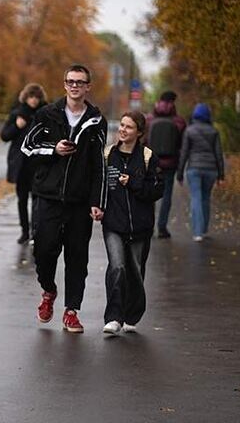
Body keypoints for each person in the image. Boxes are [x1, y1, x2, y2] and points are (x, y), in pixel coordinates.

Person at [21, 64, 107, 333]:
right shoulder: (48, 114)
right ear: (64, 84)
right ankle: (48, 290)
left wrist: (98, 201)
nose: (75, 86)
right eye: (71, 81)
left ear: (87, 87)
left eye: (80, 82)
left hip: (79, 201)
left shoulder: (96, 121)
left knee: (77, 257)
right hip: (48, 196)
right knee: (43, 251)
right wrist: (53, 150)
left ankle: (72, 310)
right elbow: (27, 147)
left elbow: (99, 166)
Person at [101, 111, 164, 335]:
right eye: (122, 125)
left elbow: (157, 190)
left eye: (128, 127)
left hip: (141, 226)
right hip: (113, 224)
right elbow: (97, 185)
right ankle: (114, 317)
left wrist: (134, 183)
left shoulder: (148, 157)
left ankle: (132, 314)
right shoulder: (108, 154)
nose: (123, 130)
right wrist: (97, 206)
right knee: (117, 267)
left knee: (135, 270)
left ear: (139, 132)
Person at [1, 83, 47, 244]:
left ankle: (35, 231)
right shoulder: (18, 114)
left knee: (37, 200)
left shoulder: (44, 115)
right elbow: (5, 136)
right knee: (21, 199)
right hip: (21, 165)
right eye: (31, 97)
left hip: (38, 164)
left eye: (36, 97)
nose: (34, 100)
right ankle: (24, 231)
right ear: (26, 98)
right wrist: (16, 126)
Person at [177, 103, 225, 242]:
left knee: (196, 198)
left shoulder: (189, 131)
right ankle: (203, 229)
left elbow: (184, 153)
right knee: (205, 198)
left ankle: (197, 233)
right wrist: (221, 175)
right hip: (211, 170)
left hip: (194, 169)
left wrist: (179, 173)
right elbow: (218, 154)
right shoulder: (213, 131)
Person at [145, 91, 187, 239]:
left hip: (152, 163)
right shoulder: (179, 121)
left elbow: (143, 142)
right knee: (167, 195)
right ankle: (162, 228)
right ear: (173, 102)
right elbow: (182, 146)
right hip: (170, 164)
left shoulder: (149, 120)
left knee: (149, 195)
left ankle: (148, 227)